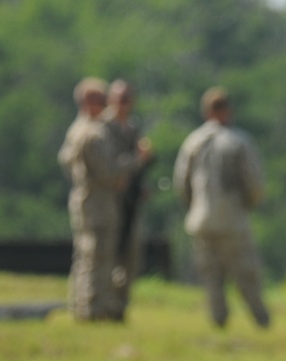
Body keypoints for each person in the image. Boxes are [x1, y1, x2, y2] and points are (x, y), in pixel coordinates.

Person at [173, 87, 270, 329]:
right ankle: (261, 320)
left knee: (211, 276)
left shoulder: (193, 142)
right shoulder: (239, 141)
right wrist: (248, 205)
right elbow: (255, 183)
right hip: (232, 219)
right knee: (246, 273)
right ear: (228, 110)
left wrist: (193, 207)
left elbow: (180, 183)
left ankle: (218, 321)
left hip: (201, 220)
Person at [58, 77, 152, 322]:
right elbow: (107, 172)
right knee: (96, 257)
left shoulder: (93, 129)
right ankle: (92, 310)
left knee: (93, 257)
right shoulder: (93, 133)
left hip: (103, 201)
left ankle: (90, 308)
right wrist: (134, 161)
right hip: (97, 202)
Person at [103, 79, 152, 319]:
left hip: (130, 202)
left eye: (127, 99)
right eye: (119, 99)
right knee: (108, 255)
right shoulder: (103, 129)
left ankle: (120, 307)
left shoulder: (133, 129)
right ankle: (107, 305)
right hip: (108, 202)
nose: (123, 104)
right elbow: (110, 167)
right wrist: (137, 159)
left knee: (131, 257)